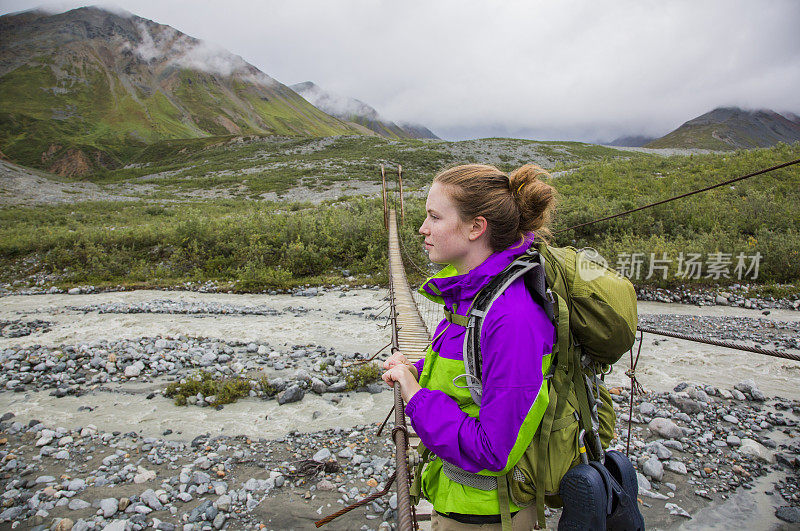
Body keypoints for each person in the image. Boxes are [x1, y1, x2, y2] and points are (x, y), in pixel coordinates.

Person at [382, 163, 557, 530]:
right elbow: (470, 374)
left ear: (476, 227)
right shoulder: (469, 295)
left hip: (487, 516)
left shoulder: (511, 317)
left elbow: (494, 448)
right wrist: (415, 370)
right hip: (461, 501)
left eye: (434, 217)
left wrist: (415, 396)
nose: (422, 228)